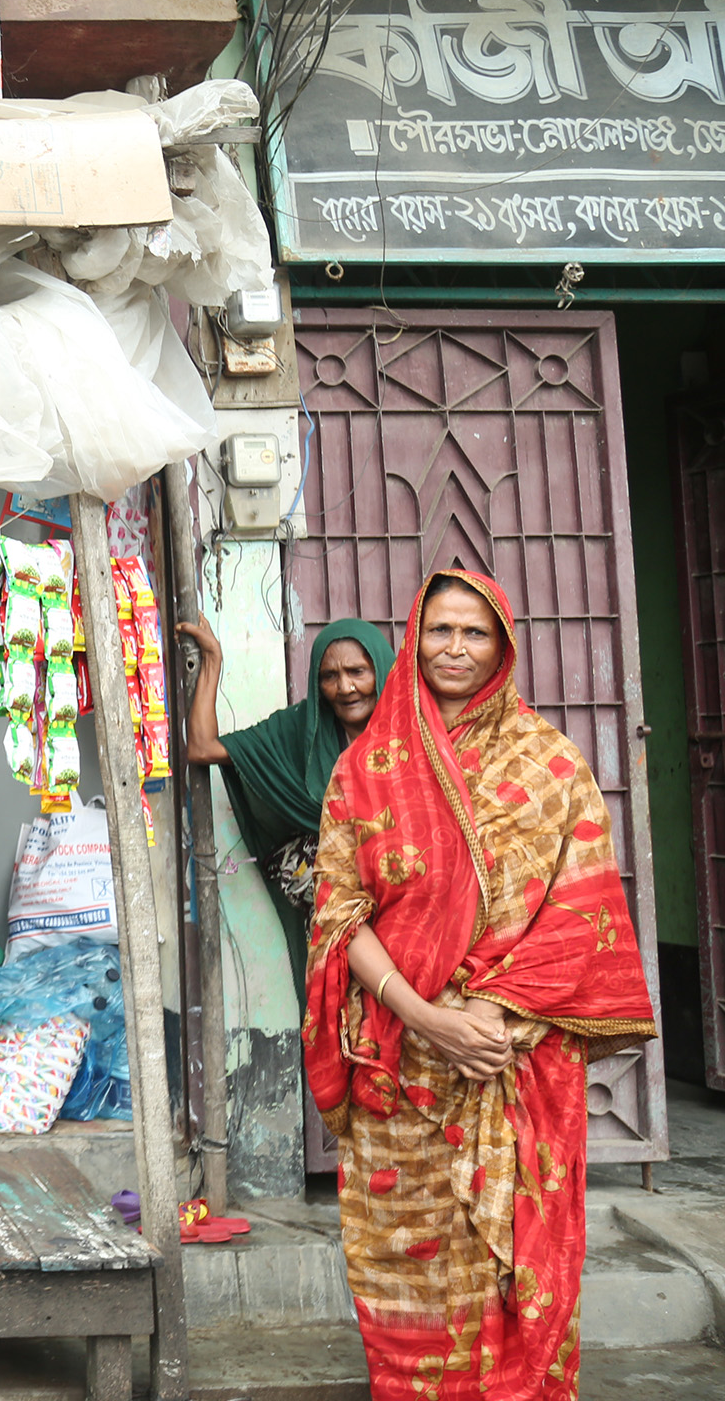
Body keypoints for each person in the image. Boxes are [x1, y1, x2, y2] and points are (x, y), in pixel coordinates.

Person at [307, 570, 655, 1400]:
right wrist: (426, 1016)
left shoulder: (552, 765)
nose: (454, 649)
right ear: (413, 639)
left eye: (474, 633)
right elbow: (337, 917)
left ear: (501, 646)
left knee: (518, 1260)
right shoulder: (366, 767)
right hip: (404, 1064)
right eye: (439, 631)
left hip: (510, 1055)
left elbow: (585, 912)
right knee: (408, 1262)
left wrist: (487, 1015)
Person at [176, 613, 394, 960]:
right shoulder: (299, 729)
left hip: (407, 914)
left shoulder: (415, 732)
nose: (345, 688)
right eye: (329, 676)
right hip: (338, 929)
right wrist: (213, 661)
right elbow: (203, 748)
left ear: (381, 671)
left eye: (357, 672)